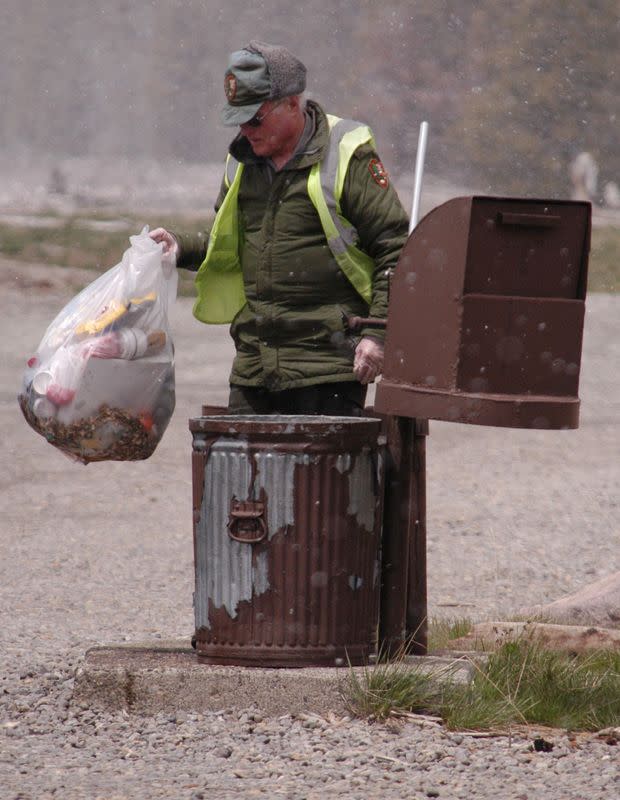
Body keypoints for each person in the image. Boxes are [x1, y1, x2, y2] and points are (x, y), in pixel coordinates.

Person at [151, 41, 409, 416]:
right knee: (236, 472)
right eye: (238, 118)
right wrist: (177, 247)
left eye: (255, 118)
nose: (245, 129)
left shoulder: (347, 154)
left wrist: (378, 335)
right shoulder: (241, 162)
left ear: (293, 103)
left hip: (327, 366)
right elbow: (230, 246)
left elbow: (395, 248)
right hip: (255, 365)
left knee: (319, 477)